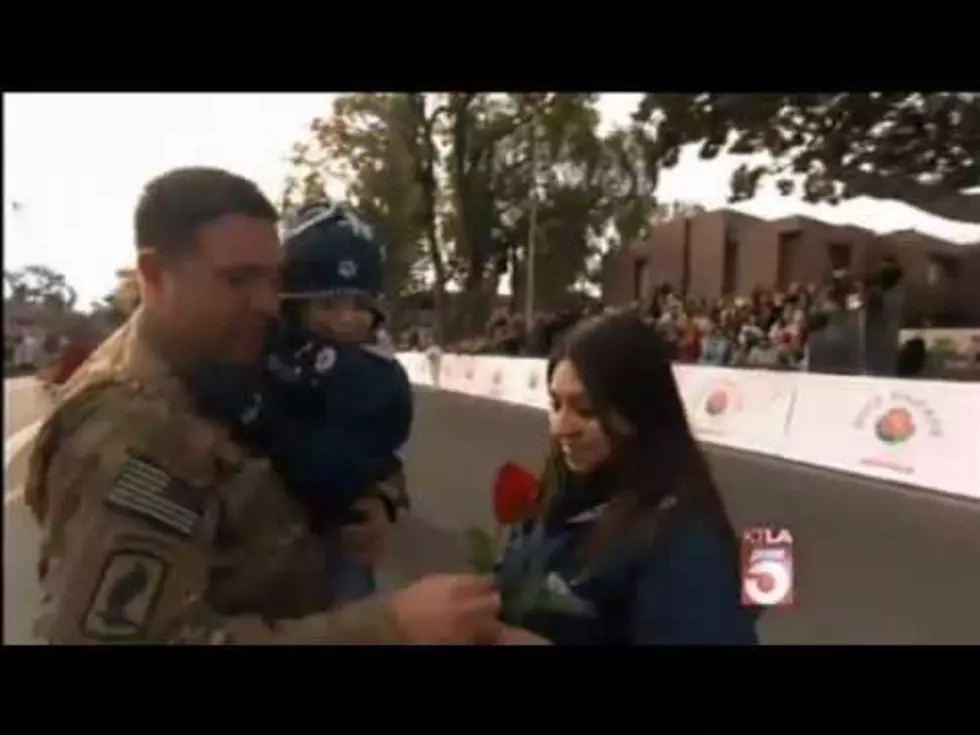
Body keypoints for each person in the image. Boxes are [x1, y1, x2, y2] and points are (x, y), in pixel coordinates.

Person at [23, 166, 502, 644]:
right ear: (154, 274)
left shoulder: (235, 345)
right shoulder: (130, 429)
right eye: (237, 280)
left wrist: (375, 497)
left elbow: (343, 430)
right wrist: (391, 629)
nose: (266, 304)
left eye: (272, 281)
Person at [182, 199, 412, 603]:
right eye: (327, 304)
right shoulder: (242, 348)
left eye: (360, 306)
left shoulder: (375, 376)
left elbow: (358, 458)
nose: (345, 319)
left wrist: (381, 494)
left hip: (319, 560)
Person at [494, 312, 759, 645]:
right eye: (555, 403)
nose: (561, 427)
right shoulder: (554, 492)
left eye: (586, 409)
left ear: (638, 410)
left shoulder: (683, 540)